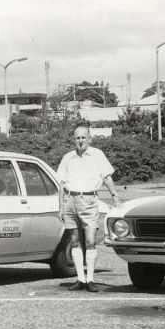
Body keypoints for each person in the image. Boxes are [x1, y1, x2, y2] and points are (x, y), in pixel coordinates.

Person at [55, 125, 122, 292]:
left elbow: (107, 178)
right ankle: (80, 279)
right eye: (77, 138)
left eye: (83, 137)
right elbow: (61, 184)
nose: (80, 141)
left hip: (89, 200)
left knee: (91, 241)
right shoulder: (67, 158)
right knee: (74, 240)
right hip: (70, 200)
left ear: (89, 138)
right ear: (73, 139)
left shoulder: (97, 155)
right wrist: (61, 207)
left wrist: (116, 198)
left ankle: (90, 279)